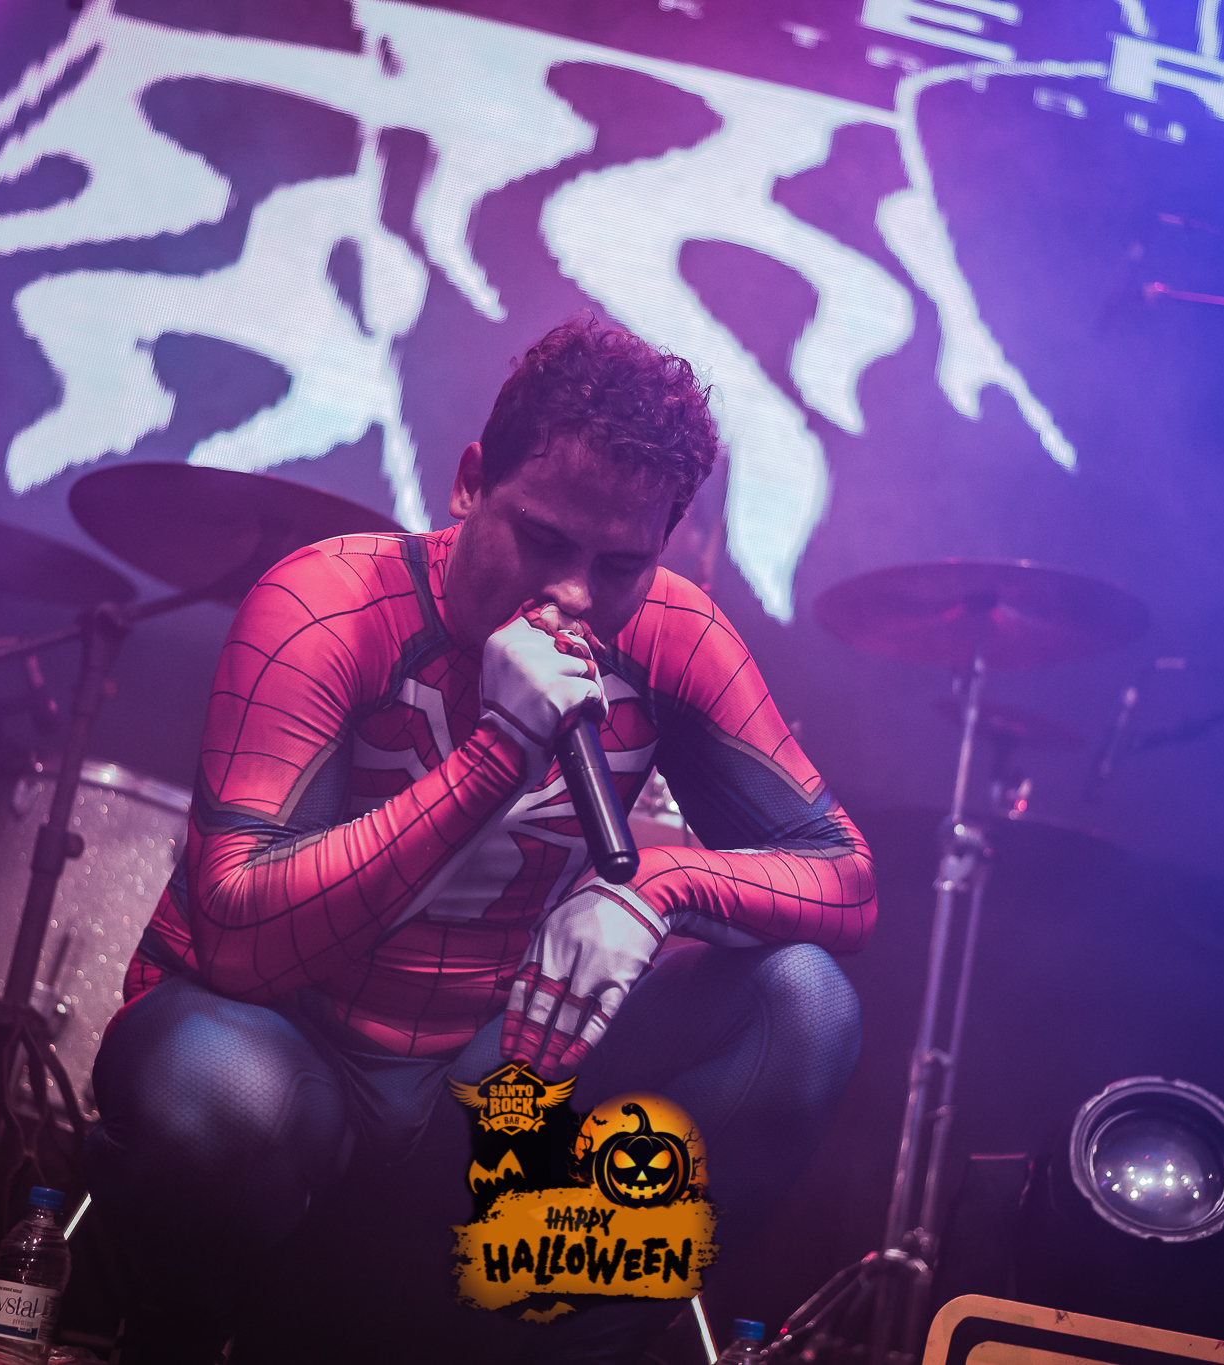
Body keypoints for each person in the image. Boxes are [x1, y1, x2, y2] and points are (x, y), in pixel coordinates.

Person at [85, 318, 875, 1363]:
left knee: (803, 1002)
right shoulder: (330, 603)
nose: (573, 594)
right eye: (542, 541)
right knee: (216, 1096)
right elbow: (236, 942)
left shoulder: (671, 637)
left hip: (490, 1071)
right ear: (468, 484)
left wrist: (660, 885)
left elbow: (845, 881)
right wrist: (497, 751)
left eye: (620, 564)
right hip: (284, 1037)